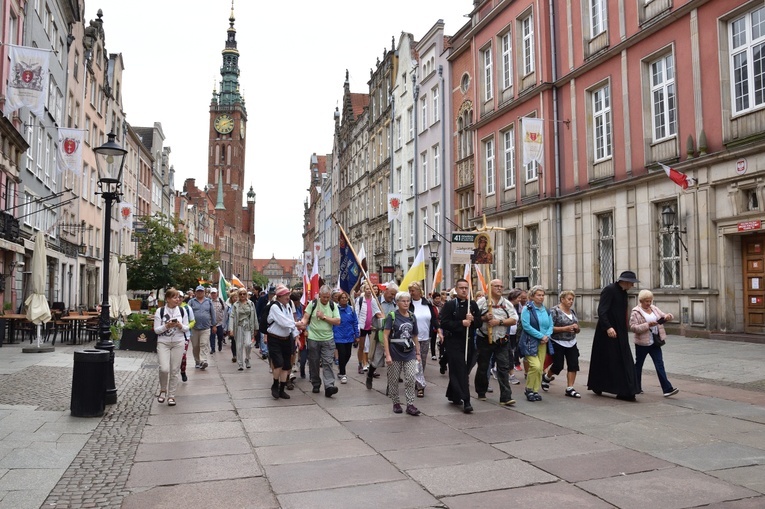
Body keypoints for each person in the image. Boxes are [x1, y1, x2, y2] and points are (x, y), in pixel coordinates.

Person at [588, 270, 640, 401]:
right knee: (609, 359)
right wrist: (608, 327)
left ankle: (626, 389)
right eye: (631, 283)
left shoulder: (623, 293)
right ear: (625, 281)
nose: (632, 286)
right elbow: (602, 310)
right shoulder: (610, 290)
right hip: (607, 332)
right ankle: (604, 385)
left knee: (621, 359)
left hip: (620, 331)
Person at [439, 278, 481, 413]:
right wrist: (461, 323)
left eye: (466, 288)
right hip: (454, 343)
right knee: (460, 370)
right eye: (461, 288)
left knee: (464, 370)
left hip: (468, 342)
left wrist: (473, 320)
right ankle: (466, 400)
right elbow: (444, 323)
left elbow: (479, 323)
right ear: (456, 290)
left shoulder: (472, 305)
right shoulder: (450, 305)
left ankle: (453, 393)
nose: (464, 290)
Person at [629, 289, 679, 397]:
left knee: (659, 364)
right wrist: (647, 325)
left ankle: (667, 389)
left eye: (650, 301)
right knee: (638, 365)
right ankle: (636, 387)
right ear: (641, 301)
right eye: (646, 301)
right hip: (642, 343)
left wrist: (668, 316)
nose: (648, 303)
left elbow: (664, 315)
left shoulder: (654, 308)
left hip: (655, 342)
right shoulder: (636, 312)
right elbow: (633, 327)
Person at [475, 279, 518, 406]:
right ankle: (481, 391)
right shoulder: (482, 303)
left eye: (501, 286)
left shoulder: (507, 304)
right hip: (484, 339)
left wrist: (498, 322)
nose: (499, 288)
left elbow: (514, 319)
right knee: (483, 367)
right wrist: (484, 318)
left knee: (503, 367)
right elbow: (475, 319)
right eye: (496, 286)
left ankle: (506, 397)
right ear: (489, 288)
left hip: (502, 340)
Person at [298, 285, 341, 397]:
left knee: (327, 362)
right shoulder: (313, 304)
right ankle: (316, 383)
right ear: (319, 295)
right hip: (313, 338)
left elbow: (337, 321)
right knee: (314, 362)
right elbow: (306, 317)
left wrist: (324, 317)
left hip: (328, 338)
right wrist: (301, 323)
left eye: (328, 297)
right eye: (324, 297)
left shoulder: (333, 306)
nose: (326, 300)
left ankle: (329, 386)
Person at [383, 291, 421, 416]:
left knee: (410, 377)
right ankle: (396, 402)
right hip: (395, 351)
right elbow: (385, 335)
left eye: (408, 301)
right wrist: (387, 354)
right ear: (397, 302)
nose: (406, 303)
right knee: (393, 379)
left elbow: (415, 335)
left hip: (409, 351)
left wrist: (418, 353)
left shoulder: (412, 316)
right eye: (403, 301)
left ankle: (410, 404)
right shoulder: (392, 316)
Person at [153, 288, 189, 407]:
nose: (177, 299)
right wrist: (166, 326)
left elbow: (187, 328)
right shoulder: (160, 311)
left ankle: (171, 395)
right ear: (168, 299)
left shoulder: (182, 310)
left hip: (178, 342)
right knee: (164, 369)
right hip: (163, 342)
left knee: (174, 370)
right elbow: (156, 330)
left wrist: (180, 325)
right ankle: (163, 390)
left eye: (178, 297)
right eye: (174, 297)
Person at [544, 290, 582, 398]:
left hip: (571, 342)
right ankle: (547, 377)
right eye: (569, 299)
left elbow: (578, 328)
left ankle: (570, 388)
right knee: (558, 365)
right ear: (562, 299)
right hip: (558, 341)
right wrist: (564, 329)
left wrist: (576, 329)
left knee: (574, 364)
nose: (571, 302)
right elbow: (549, 328)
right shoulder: (554, 311)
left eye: (572, 300)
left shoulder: (572, 312)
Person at [519, 285, 552, 402]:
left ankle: (535, 390)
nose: (541, 297)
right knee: (535, 366)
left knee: (540, 368)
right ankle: (528, 389)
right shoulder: (527, 308)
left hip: (543, 342)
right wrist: (540, 336)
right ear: (532, 296)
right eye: (539, 295)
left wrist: (547, 336)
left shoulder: (546, 309)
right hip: (530, 341)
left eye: (543, 295)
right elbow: (526, 326)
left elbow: (550, 325)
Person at [266, 285, 300, 399]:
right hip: (274, 338)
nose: (288, 297)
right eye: (286, 295)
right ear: (279, 296)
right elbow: (284, 322)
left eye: (288, 295)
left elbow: (290, 322)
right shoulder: (275, 307)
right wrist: (298, 324)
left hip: (286, 339)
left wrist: (296, 336)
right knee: (278, 363)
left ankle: (282, 389)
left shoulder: (288, 306)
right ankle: (275, 385)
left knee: (286, 365)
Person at [408, 282, 439, 397]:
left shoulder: (427, 304)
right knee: (416, 361)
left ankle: (417, 380)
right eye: (410, 290)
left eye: (413, 290)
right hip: (412, 337)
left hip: (425, 337)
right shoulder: (408, 304)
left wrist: (439, 330)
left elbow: (434, 319)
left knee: (423, 361)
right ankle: (420, 385)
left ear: (419, 291)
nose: (411, 293)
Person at [366, 283, 397, 390]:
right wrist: (390, 320)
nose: (392, 296)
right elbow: (379, 315)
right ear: (386, 290)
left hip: (393, 334)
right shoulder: (376, 301)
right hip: (380, 334)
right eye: (391, 294)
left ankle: (390, 385)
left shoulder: (396, 303)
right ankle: (370, 375)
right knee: (376, 359)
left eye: (394, 295)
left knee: (392, 360)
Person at [356, 282, 382, 380]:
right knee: (362, 346)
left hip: (372, 327)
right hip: (362, 326)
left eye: (370, 289)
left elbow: (377, 312)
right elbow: (357, 313)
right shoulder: (360, 300)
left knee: (372, 348)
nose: (369, 291)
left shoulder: (374, 300)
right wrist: (357, 327)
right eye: (367, 289)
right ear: (364, 290)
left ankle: (371, 366)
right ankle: (360, 364)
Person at [187, 285, 216, 370]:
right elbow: (187, 313)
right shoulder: (191, 302)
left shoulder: (208, 301)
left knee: (204, 344)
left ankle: (203, 360)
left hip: (205, 327)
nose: (200, 293)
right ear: (195, 292)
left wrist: (214, 325)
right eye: (198, 291)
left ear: (204, 292)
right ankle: (197, 361)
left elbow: (212, 313)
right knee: (196, 346)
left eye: (201, 291)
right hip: (194, 328)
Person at [334, 291, 359, 384]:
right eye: (342, 298)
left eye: (346, 298)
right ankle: (343, 374)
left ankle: (341, 367)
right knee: (342, 354)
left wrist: (357, 335)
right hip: (338, 336)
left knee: (348, 355)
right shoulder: (335, 309)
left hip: (349, 336)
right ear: (339, 299)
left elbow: (355, 322)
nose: (344, 299)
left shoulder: (351, 309)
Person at [230, 288, 257, 371]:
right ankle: (240, 364)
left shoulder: (251, 304)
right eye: (240, 294)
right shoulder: (235, 305)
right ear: (238, 295)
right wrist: (231, 329)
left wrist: (256, 328)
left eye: (244, 294)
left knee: (248, 344)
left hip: (248, 326)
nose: (242, 295)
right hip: (239, 326)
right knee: (239, 346)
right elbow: (232, 316)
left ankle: (247, 359)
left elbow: (254, 316)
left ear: (246, 295)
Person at [210, 288, 227, 352]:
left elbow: (225, 310)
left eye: (214, 293)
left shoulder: (221, 301)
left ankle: (220, 344)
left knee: (220, 336)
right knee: (212, 337)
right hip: (211, 323)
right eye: (212, 293)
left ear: (217, 293)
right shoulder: (209, 302)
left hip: (219, 323)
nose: (213, 294)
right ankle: (213, 348)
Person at [430, 292, 444, 361]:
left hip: (441, 324)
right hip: (433, 324)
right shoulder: (431, 306)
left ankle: (441, 353)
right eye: (436, 299)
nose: (438, 300)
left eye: (439, 298)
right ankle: (433, 354)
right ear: (433, 299)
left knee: (441, 339)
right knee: (433, 339)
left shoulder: (442, 305)